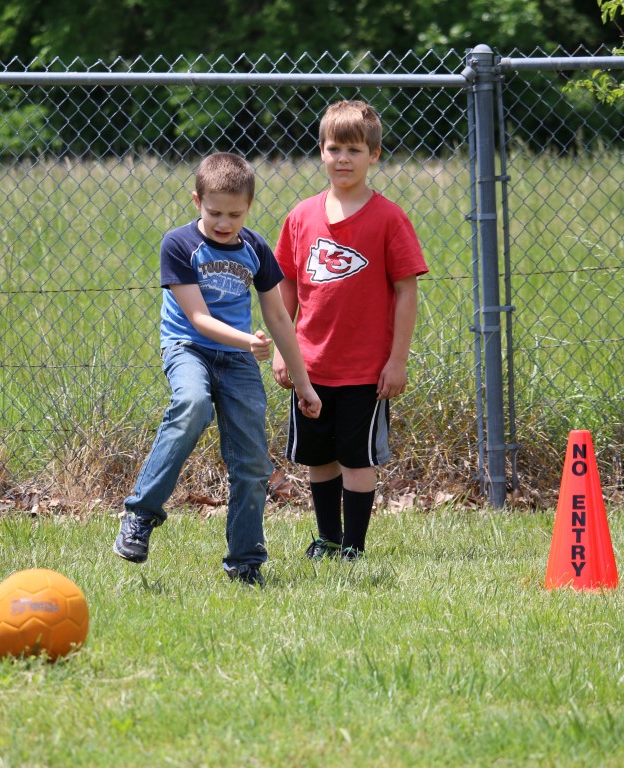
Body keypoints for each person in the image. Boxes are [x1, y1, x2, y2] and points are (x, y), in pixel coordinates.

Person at [112, 152, 321, 586]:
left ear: (249, 207)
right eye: (215, 213)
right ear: (197, 202)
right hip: (189, 348)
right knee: (192, 404)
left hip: (237, 361)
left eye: (235, 214)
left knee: (252, 461)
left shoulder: (255, 248)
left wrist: (304, 384)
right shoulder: (179, 244)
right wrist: (247, 340)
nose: (224, 223)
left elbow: (278, 317)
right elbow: (198, 318)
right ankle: (141, 514)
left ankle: (245, 561)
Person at [270, 100, 428, 561]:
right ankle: (328, 538)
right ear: (321, 151)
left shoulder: (388, 218)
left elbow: (406, 292)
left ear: (373, 155)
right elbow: (286, 288)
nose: (343, 159)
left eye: (354, 150)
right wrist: (283, 351)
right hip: (311, 367)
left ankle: (354, 546)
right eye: (334, 148)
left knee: (357, 459)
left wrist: (397, 360)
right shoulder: (301, 216)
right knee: (319, 458)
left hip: (365, 370)